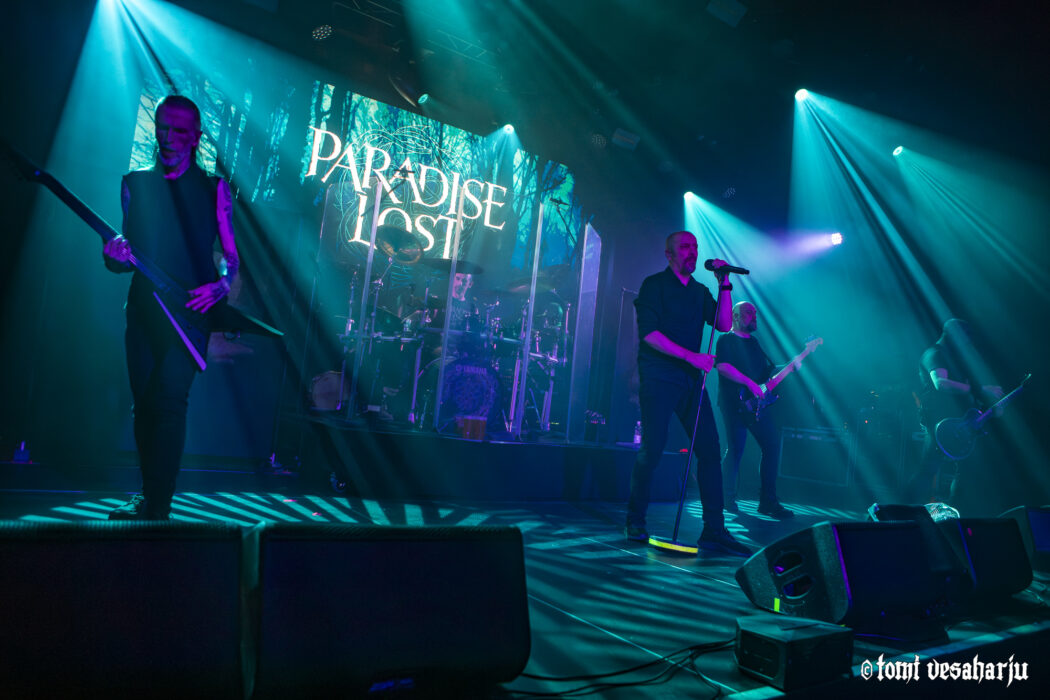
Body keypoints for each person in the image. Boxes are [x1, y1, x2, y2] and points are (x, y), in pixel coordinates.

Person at [103, 95, 240, 520]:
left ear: (195, 137)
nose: (168, 137)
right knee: (144, 403)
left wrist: (221, 284)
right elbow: (122, 256)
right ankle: (149, 495)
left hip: (190, 313)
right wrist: (113, 256)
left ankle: (158, 504)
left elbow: (231, 257)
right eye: (163, 127)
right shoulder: (135, 184)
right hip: (143, 310)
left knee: (169, 399)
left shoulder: (214, 189)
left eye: (179, 131)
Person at [625, 231, 750, 556]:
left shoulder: (699, 291)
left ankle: (714, 530)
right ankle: (635, 520)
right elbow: (649, 335)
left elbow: (723, 323)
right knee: (653, 448)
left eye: (695, 247)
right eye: (684, 247)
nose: (692, 252)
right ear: (669, 254)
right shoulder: (654, 285)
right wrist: (691, 357)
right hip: (659, 376)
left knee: (709, 449)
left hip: (690, 381)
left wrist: (725, 284)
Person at [907, 318, 1003, 509]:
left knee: (965, 470)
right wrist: (981, 389)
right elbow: (940, 383)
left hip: (957, 422)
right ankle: (903, 512)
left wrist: (988, 403)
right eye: (964, 338)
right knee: (928, 468)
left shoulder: (954, 359)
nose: (966, 343)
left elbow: (965, 389)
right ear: (953, 334)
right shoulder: (935, 354)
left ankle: (953, 514)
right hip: (938, 421)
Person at [716, 302, 794, 518]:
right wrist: (749, 383)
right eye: (749, 313)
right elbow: (723, 367)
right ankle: (726, 498)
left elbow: (767, 373)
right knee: (736, 449)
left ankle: (768, 502)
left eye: (755, 313)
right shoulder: (726, 339)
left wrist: (792, 365)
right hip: (733, 404)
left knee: (771, 445)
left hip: (755, 405)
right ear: (736, 316)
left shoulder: (755, 343)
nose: (754, 316)